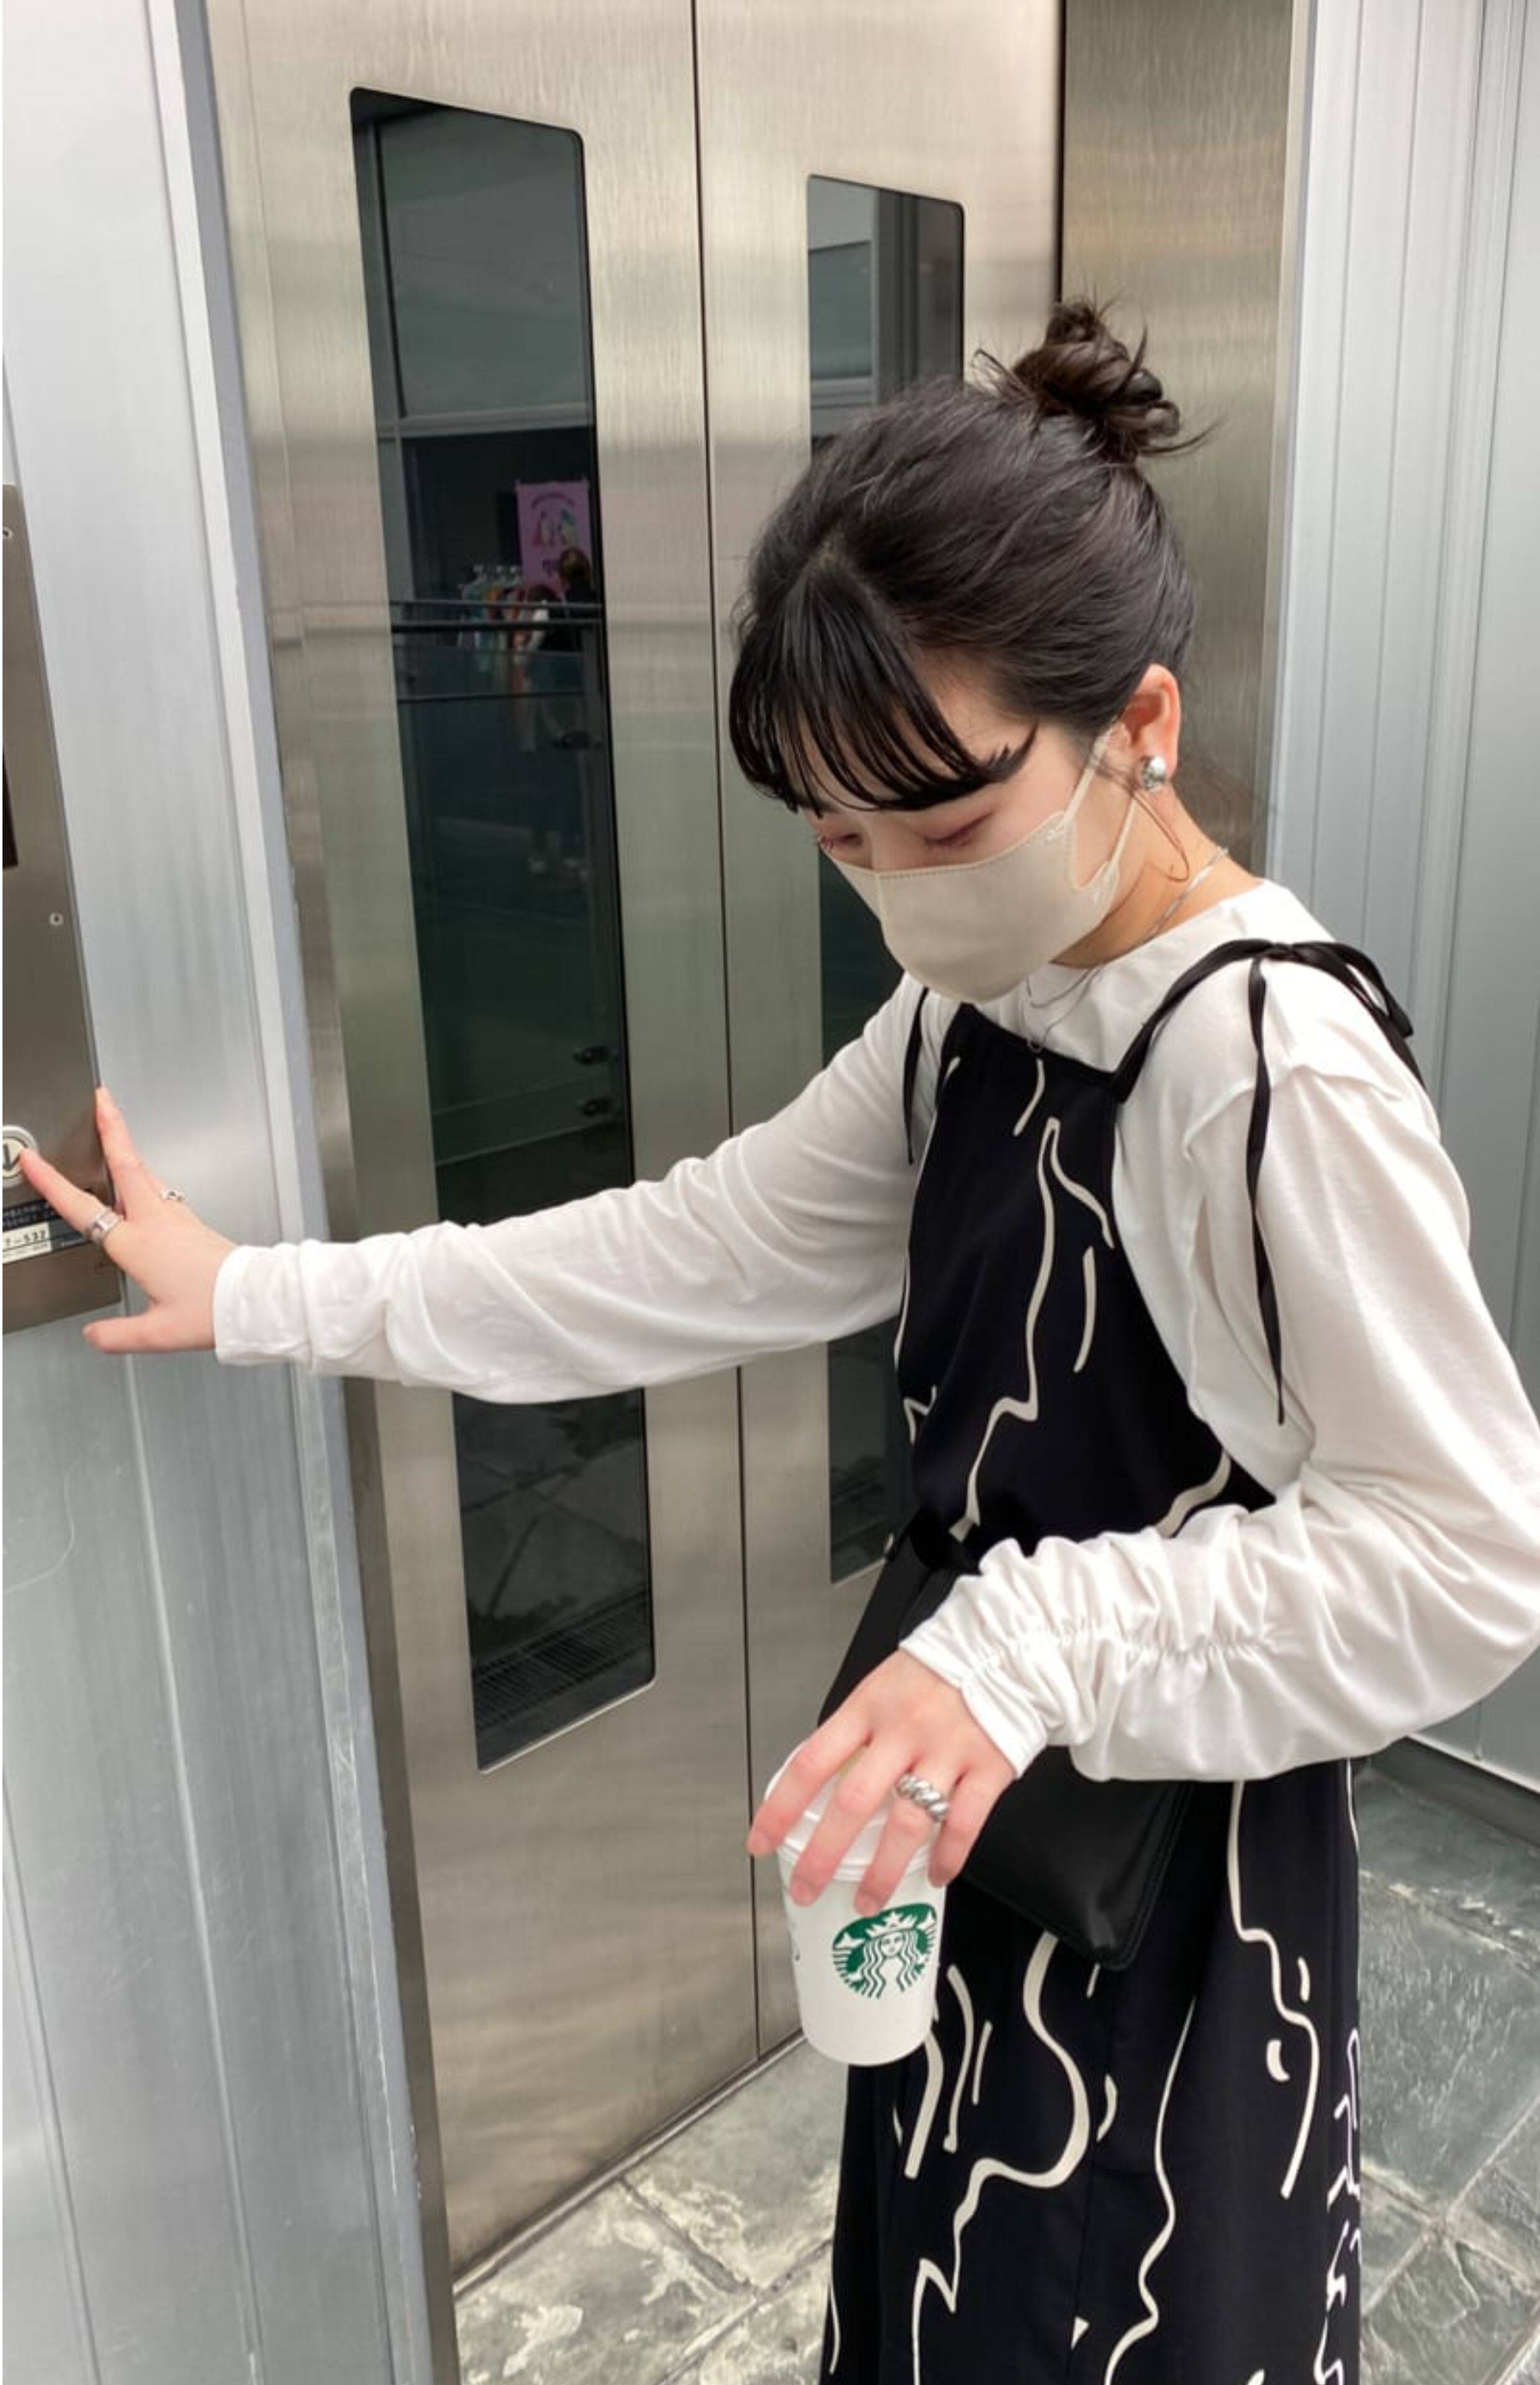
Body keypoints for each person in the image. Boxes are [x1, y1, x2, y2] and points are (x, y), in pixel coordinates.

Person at [22, 299, 1540, 2384]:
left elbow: (1468, 1557)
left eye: (946, 822)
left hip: (1169, 1916)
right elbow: (689, 1250)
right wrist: (267, 1290)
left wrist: (1031, 1641)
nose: (899, 891)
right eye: (841, 837)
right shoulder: (974, 1013)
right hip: (978, 1855)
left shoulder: (1263, 1066)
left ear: (1142, 722)